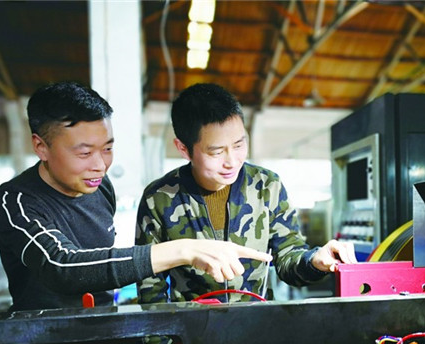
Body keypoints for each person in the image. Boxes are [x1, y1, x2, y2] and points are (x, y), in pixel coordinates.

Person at [0, 81, 271, 311]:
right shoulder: (14, 202)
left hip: (102, 332)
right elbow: (62, 266)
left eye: (107, 149)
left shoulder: (100, 186)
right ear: (41, 147)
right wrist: (183, 250)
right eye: (84, 153)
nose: (100, 165)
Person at [135, 83, 357, 304]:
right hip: (191, 325)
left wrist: (314, 260)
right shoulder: (159, 198)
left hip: (256, 322)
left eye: (239, 145)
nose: (232, 162)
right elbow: (150, 288)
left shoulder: (267, 186)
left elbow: (288, 259)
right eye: (217, 152)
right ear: (183, 148)